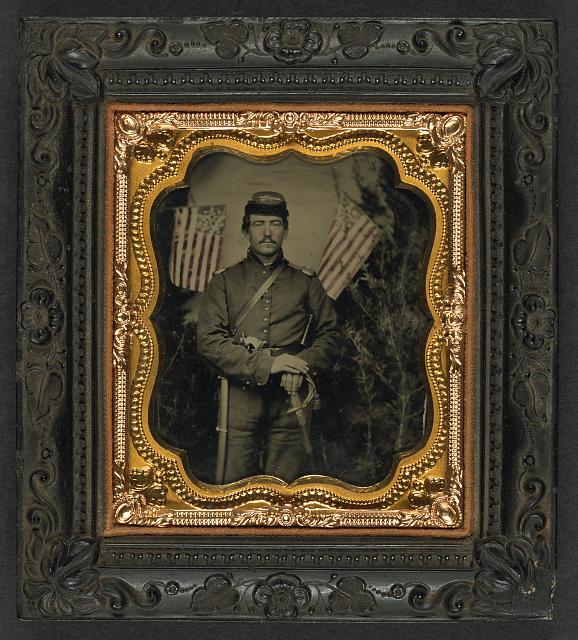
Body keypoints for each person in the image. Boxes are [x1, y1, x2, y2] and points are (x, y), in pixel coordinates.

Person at [197, 191, 341, 483]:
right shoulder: (224, 281)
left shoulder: (306, 281)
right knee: (233, 482)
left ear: (286, 230)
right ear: (245, 230)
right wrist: (269, 365)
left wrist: (300, 364)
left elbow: (332, 336)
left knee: (286, 484)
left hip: (292, 397)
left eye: (275, 223)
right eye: (258, 223)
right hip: (237, 395)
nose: (266, 232)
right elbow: (209, 341)